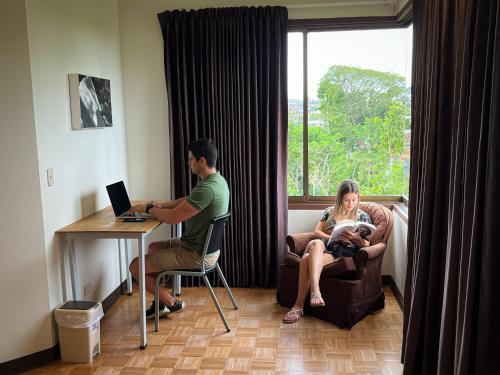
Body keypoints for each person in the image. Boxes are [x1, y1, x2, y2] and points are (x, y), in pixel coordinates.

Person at [128, 138, 229, 318]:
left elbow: (173, 219)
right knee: (153, 248)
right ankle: (161, 303)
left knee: (136, 266)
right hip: (202, 247)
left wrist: (148, 209)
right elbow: (188, 200)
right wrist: (162, 205)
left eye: (190, 159)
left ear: (202, 161)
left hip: (197, 254)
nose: (188, 162)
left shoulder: (207, 189)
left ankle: (172, 303)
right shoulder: (216, 181)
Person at [282, 179, 372, 324]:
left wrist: (356, 238)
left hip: (338, 254)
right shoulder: (329, 212)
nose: (351, 204)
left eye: (354, 200)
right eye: (347, 200)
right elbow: (317, 231)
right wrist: (332, 236)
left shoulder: (362, 217)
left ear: (358, 198)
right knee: (316, 243)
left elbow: (367, 244)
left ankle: (298, 306)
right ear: (340, 198)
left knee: (305, 259)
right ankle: (315, 292)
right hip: (323, 246)